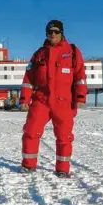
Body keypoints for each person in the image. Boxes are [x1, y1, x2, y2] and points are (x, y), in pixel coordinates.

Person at [19, 19, 87, 178]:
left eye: (56, 31)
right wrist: (24, 100)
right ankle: (28, 166)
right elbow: (29, 79)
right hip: (41, 100)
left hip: (64, 102)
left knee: (64, 137)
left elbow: (80, 77)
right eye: (50, 32)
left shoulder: (73, 52)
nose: (53, 34)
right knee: (30, 131)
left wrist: (80, 97)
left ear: (61, 33)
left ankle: (62, 169)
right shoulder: (38, 54)